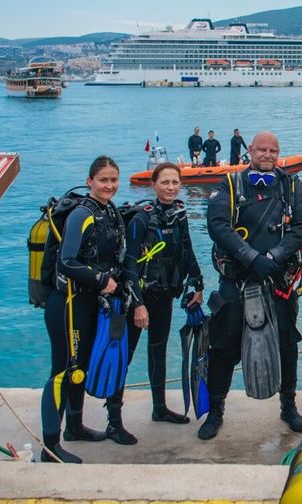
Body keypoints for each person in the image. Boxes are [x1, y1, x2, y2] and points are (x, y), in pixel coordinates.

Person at [201, 130, 302, 440]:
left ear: (279, 154)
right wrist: (250, 257)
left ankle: (288, 406)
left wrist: (275, 255)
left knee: (287, 345)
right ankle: (215, 410)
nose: (267, 155)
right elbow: (217, 224)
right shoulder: (230, 184)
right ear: (250, 150)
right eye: (261, 149)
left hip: (278, 279)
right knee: (223, 346)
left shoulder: (291, 186)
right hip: (236, 281)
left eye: (273, 151)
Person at [102, 162, 205, 444]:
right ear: (154, 185)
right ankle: (114, 421)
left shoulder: (179, 214)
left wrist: (198, 284)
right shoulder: (141, 218)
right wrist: (137, 304)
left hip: (164, 296)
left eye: (175, 183)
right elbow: (130, 264)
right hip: (138, 299)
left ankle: (159, 408)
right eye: (165, 182)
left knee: (158, 352)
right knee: (125, 357)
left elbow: (187, 251)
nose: (170, 187)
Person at [40, 155, 124, 463]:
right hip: (67, 305)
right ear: (90, 182)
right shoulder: (81, 214)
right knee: (62, 372)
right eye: (103, 180)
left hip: (88, 303)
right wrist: (103, 278)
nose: (109, 185)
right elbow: (67, 260)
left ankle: (74, 427)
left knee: (80, 368)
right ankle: (50, 447)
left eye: (114, 180)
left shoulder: (108, 211)